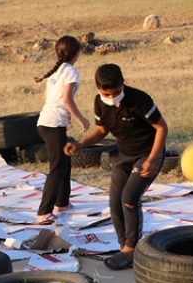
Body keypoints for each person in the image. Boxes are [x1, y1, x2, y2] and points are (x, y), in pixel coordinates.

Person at [64, 64, 167, 270]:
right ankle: (123, 246)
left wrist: (153, 158)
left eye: (117, 92)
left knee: (129, 198)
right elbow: (101, 131)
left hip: (147, 154)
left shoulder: (139, 99)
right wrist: (80, 144)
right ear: (98, 89)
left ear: (123, 83)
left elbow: (161, 127)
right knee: (114, 201)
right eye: (106, 94)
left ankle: (131, 248)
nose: (112, 98)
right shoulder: (100, 103)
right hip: (123, 155)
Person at [34, 36, 91, 225]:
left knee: (64, 160)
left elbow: (47, 98)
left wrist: (65, 117)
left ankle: (62, 203)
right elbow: (67, 98)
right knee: (57, 167)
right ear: (76, 53)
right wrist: (80, 118)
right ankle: (43, 212)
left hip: (47, 122)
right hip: (52, 125)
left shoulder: (56, 71)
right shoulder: (71, 72)